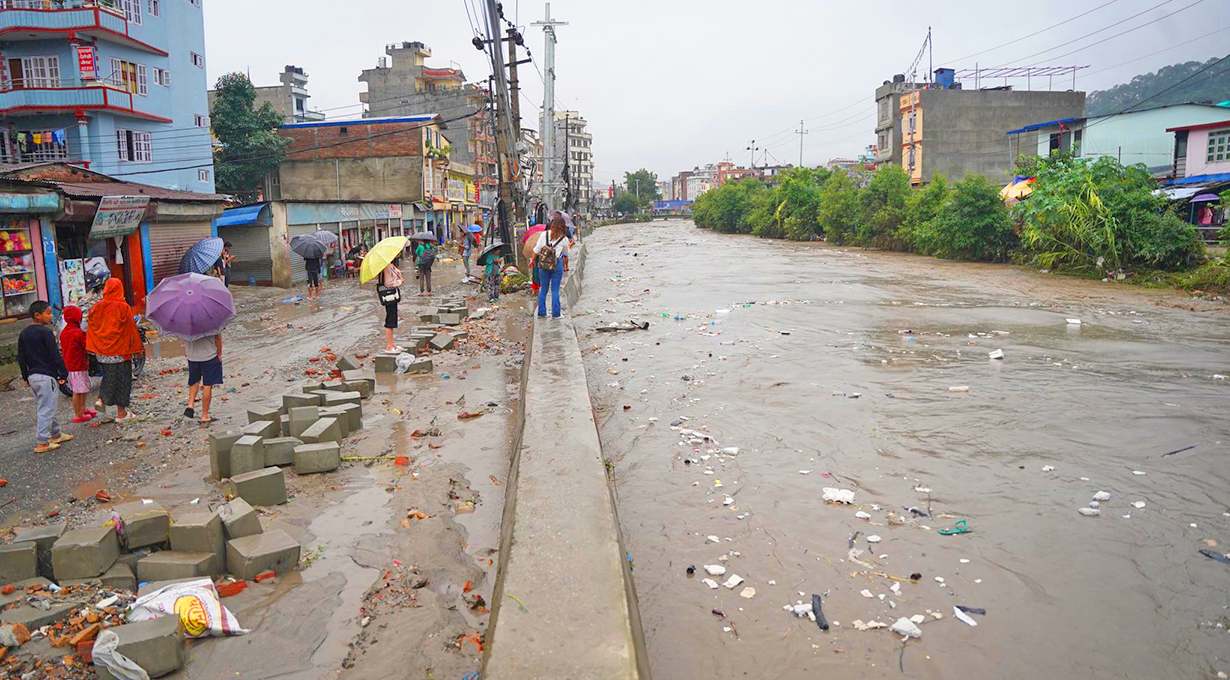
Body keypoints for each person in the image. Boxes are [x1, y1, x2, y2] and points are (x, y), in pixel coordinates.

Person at [86, 278, 144, 424]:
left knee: (109, 376)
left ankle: (102, 399)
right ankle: (121, 413)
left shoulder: (97, 307)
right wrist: (137, 348)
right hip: (120, 350)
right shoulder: (122, 307)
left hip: (102, 351)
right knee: (123, 381)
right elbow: (130, 329)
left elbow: (91, 325)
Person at [18, 300, 72, 453]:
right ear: (37, 315)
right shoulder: (46, 332)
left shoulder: (24, 333)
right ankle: (42, 442)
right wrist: (63, 373)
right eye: (48, 313)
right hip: (46, 376)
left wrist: (25, 376)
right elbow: (55, 355)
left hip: (33, 376)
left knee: (47, 404)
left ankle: (56, 434)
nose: (50, 316)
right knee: (46, 408)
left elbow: (21, 357)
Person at [59, 305, 95, 424]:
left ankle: (82, 409)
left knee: (81, 389)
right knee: (78, 391)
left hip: (71, 364)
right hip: (78, 365)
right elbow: (87, 346)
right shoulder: (78, 333)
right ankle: (78, 414)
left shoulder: (64, 332)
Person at [531, 216, 571, 318]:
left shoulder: (544, 235)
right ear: (562, 226)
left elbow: (536, 250)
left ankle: (542, 312)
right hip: (556, 265)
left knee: (543, 288)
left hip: (543, 265)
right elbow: (565, 254)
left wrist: (532, 261)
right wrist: (566, 266)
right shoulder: (564, 239)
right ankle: (556, 314)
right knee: (555, 290)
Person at [183, 333, 223, 424]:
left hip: (192, 357)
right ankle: (204, 415)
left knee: (194, 380)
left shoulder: (186, 323)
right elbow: (217, 339)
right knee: (207, 385)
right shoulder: (211, 321)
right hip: (209, 356)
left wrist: (187, 351)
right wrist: (219, 353)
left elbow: (184, 339)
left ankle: (190, 405)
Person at [379, 254, 404, 352]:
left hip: (392, 297)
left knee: (393, 319)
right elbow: (388, 283)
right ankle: (389, 346)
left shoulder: (390, 265)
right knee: (390, 320)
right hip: (389, 296)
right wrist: (399, 282)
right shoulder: (386, 267)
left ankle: (392, 344)